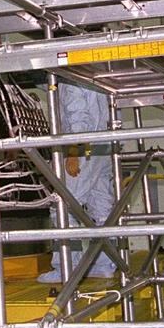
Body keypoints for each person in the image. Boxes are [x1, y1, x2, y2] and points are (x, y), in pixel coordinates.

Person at [37, 81, 118, 284]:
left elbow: (77, 114)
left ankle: (67, 267)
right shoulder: (94, 77)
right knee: (101, 207)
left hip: (84, 148)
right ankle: (104, 265)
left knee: (62, 206)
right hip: (105, 146)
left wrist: (74, 150)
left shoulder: (69, 80)